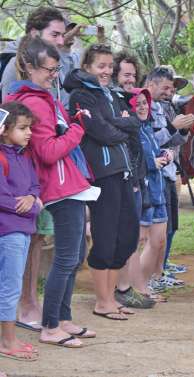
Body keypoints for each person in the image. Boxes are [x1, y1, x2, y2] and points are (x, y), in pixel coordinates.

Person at [7, 36, 97, 346]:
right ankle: (50, 326)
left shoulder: (45, 97)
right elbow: (46, 152)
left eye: (57, 68)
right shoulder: (34, 101)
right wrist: (77, 129)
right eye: (49, 69)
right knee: (67, 257)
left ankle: (64, 318)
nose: (54, 74)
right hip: (58, 186)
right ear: (29, 67)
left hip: (67, 183)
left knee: (74, 255)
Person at [1, 6, 66, 334]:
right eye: (55, 34)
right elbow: (8, 121)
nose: (61, 40)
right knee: (23, 239)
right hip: (21, 173)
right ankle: (24, 306)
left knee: (37, 237)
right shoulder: (17, 72)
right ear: (33, 35)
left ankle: (29, 301)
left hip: (40, 173)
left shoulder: (51, 72)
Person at [65, 44, 139, 320]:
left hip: (123, 171)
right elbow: (100, 131)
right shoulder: (81, 95)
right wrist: (118, 124)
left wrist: (117, 122)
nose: (107, 71)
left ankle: (110, 298)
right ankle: (103, 301)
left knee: (128, 235)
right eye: (101, 66)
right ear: (87, 68)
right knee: (105, 236)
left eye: (110, 66)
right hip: (102, 174)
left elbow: (133, 123)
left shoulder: (111, 94)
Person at [110, 52, 156, 310]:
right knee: (123, 237)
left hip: (135, 178)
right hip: (121, 178)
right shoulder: (115, 103)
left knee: (133, 237)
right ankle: (117, 290)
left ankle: (127, 288)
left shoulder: (129, 104)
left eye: (133, 75)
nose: (130, 79)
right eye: (126, 74)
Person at [145, 66, 194, 288]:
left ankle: (159, 270)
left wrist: (183, 130)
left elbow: (172, 141)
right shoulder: (145, 107)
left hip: (169, 171)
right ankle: (151, 276)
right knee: (156, 231)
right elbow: (152, 141)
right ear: (152, 84)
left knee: (169, 228)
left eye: (171, 88)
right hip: (156, 174)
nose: (169, 92)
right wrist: (173, 127)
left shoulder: (166, 107)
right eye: (166, 87)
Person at [0, 102, 41, 361]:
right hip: (9, 231)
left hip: (23, 229)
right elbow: (5, 198)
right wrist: (30, 205)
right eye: (23, 128)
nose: (29, 133)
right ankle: (8, 341)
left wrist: (32, 199)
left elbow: (35, 186)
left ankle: (9, 337)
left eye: (30, 128)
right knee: (10, 287)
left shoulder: (24, 157)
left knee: (10, 285)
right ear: (4, 130)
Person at [129, 88, 170, 304]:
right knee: (139, 240)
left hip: (158, 190)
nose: (142, 107)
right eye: (138, 103)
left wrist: (165, 155)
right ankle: (138, 289)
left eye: (145, 102)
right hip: (143, 192)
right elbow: (133, 160)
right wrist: (150, 164)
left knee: (158, 240)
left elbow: (153, 155)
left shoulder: (147, 128)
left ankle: (144, 285)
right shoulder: (131, 131)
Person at [1, 7, 65, 102]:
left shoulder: (53, 61)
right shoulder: (17, 64)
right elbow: (10, 111)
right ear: (34, 34)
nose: (61, 42)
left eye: (63, 35)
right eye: (55, 35)